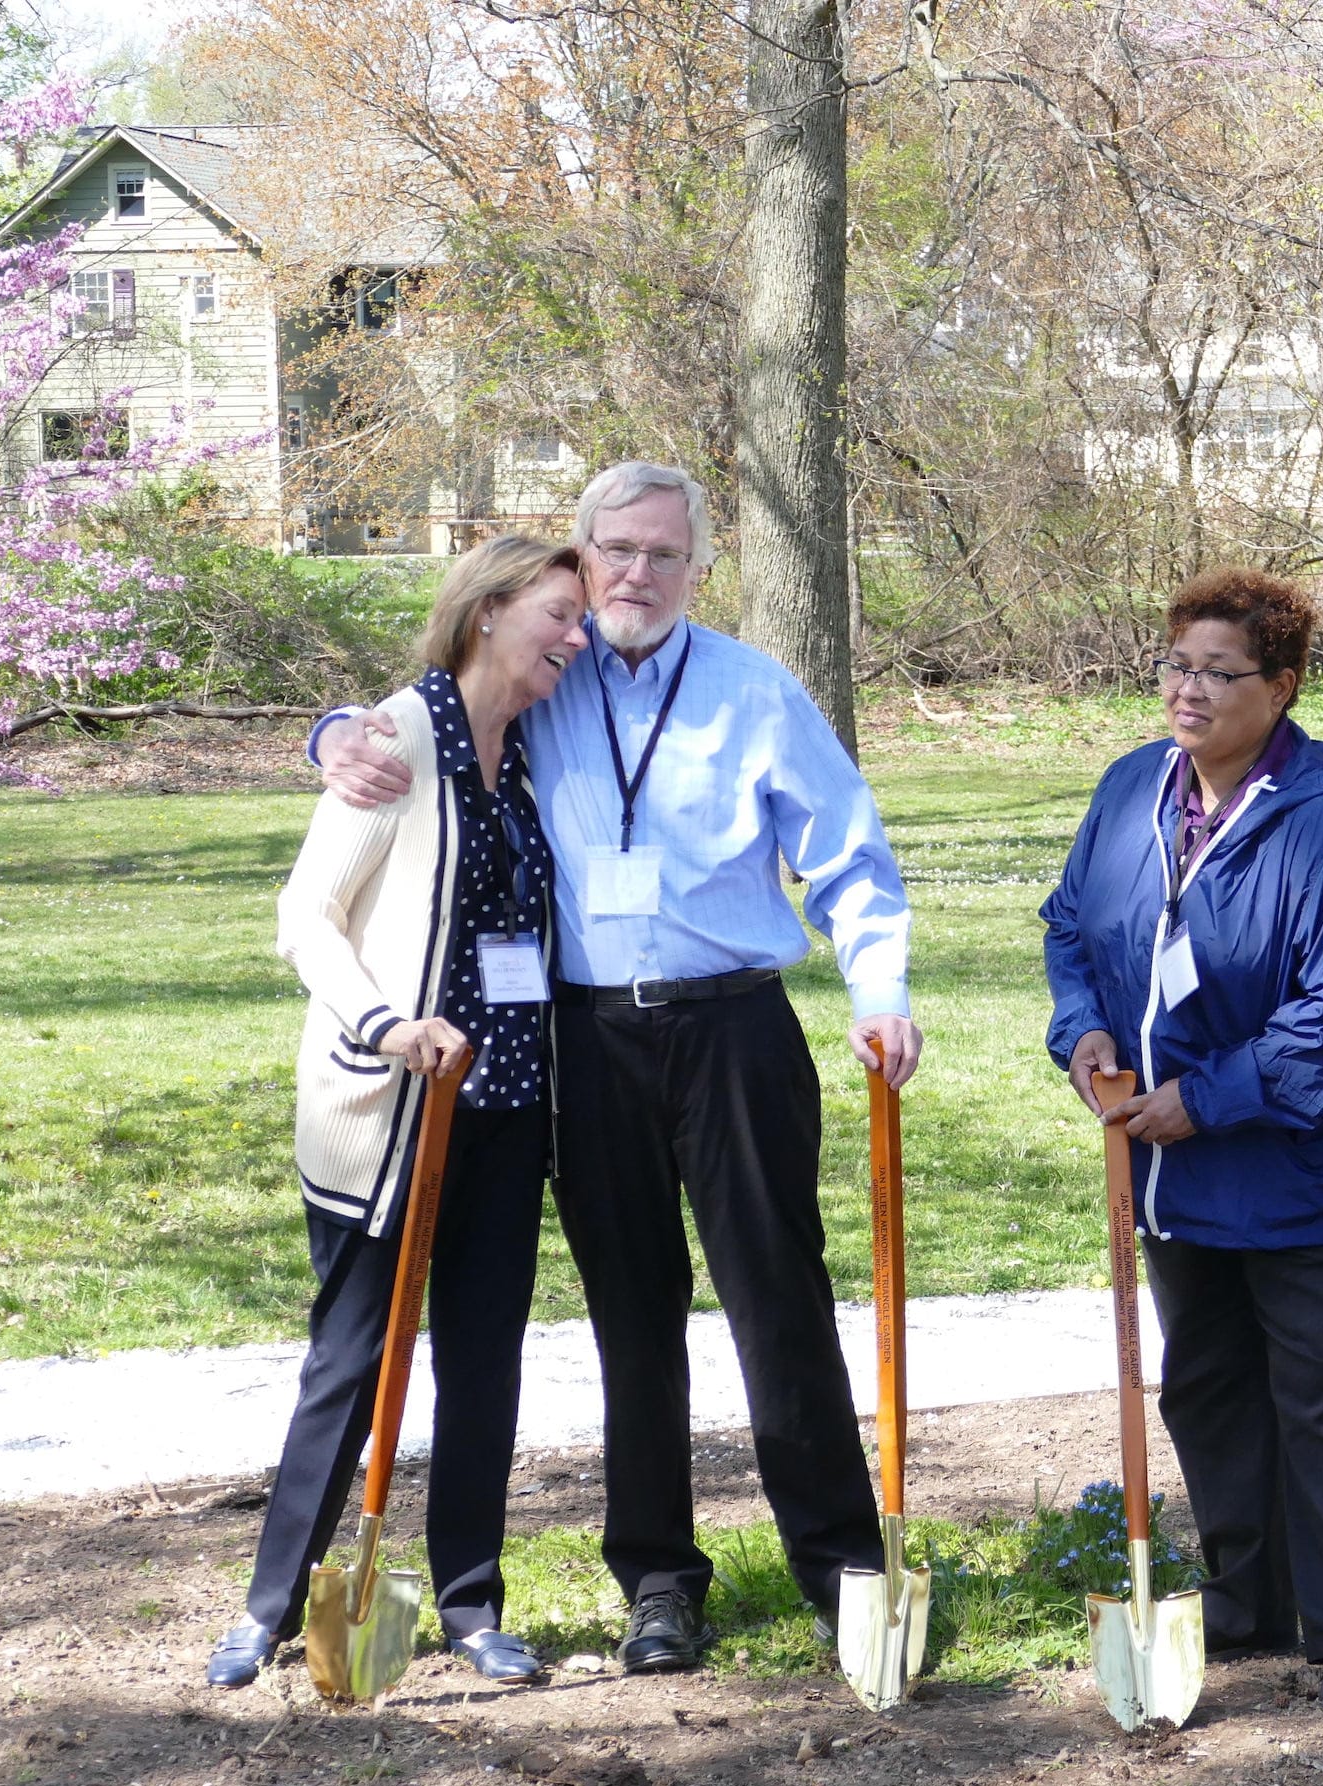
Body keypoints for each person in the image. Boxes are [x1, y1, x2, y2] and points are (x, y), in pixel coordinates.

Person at [309, 461, 921, 1676]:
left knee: (777, 1305)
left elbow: (850, 858)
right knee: (630, 1321)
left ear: (699, 566)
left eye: (664, 554)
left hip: (733, 1030)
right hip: (587, 1042)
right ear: (580, 560)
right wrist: (332, 737)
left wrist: (880, 992)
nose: (637, 574)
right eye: (615, 552)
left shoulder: (754, 690)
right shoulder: (546, 678)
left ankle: (845, 1569)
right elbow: (419, 716)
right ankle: (658, 1580)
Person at [1041, 567, 1323, 1717]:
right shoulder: (1131, 793)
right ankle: (1247, 1597)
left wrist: (1204, 1098)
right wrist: (1085, 1034)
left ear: (1284, 687)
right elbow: (1072, 925)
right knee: (1208, 1386)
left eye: (1220, 672)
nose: (1189, 690)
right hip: (1175, 1170)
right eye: (1175, 665)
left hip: (1312, 1175)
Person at [209, 536, 589, 1689]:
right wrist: (387, 1024)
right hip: (390, 1108)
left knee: (485, 1361)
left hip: (506, 1105)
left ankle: (472, 1605)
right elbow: (305, 917)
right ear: (485, 613)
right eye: (558, 617)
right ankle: (272, 1607)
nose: (576, 641)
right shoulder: (396, 743)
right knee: (354, 1357)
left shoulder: (526, 750)